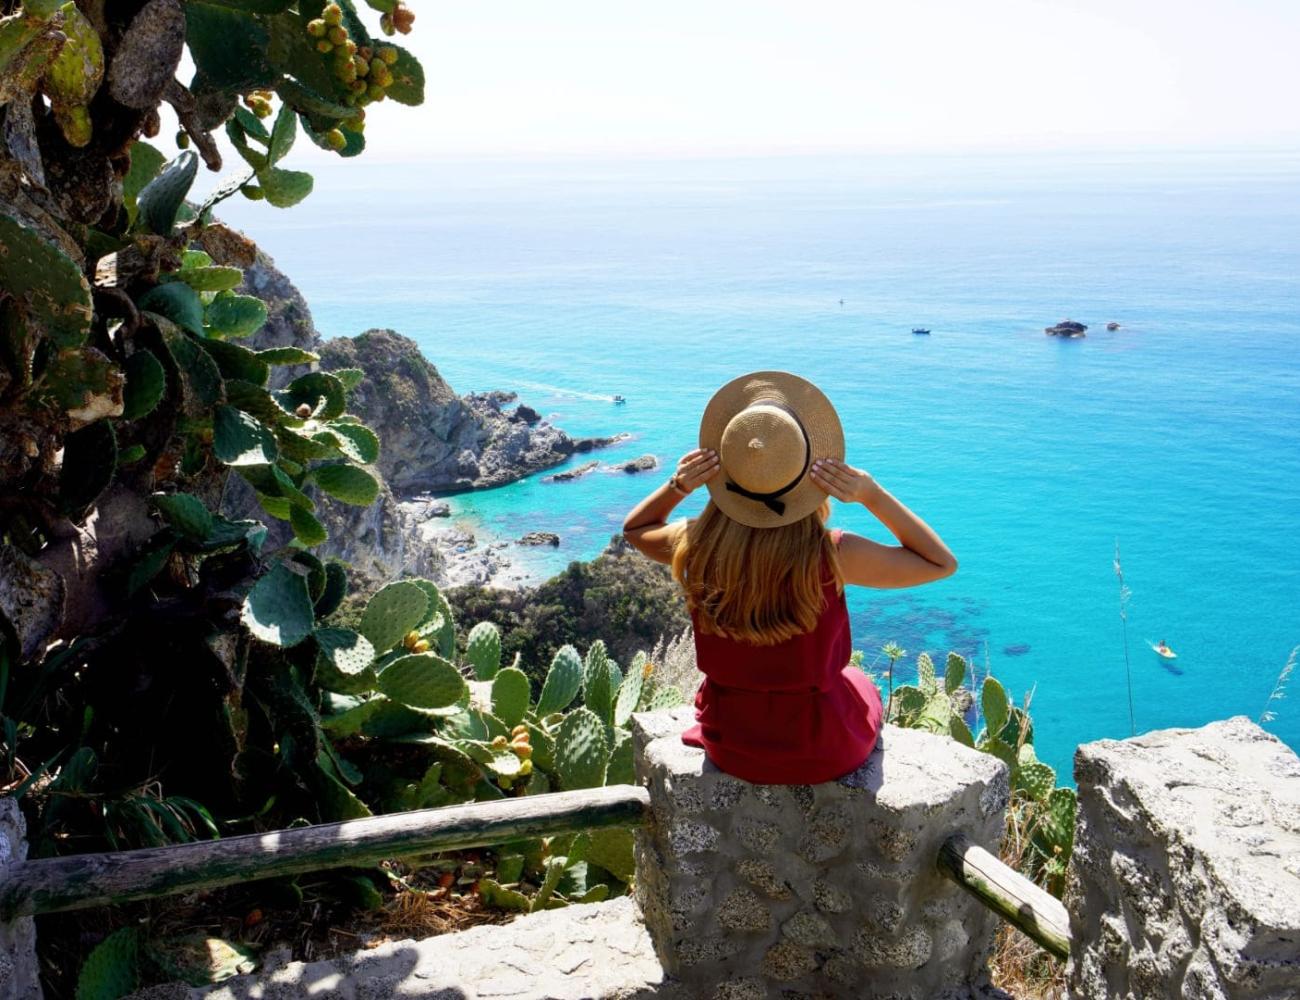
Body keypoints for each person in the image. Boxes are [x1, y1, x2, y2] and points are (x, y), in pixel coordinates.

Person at [621, 371, 957, 784]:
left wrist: (678, 485)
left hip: (732, 743)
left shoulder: (695, 546)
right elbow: (940, 563)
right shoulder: (833, 555)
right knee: (855, 681)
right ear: (808, 476)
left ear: (724, 470)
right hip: (822, 748)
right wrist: (871, 494)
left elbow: (635, 530)